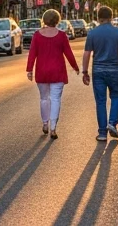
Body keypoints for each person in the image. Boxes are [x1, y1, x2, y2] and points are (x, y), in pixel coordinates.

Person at [26, 9, 79, 139]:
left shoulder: (37, 35)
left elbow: (32, 53)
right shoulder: (61, 35)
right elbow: (68, 53)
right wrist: (75, 67)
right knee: (55, 99)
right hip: (58, 71)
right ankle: (53, 128)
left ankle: (45, 123)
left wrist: (29, 69)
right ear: (57, 20)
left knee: (44, 98)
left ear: (44, 19)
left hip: (42, 71)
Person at [83, 5, 118, 142]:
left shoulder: (92, 33)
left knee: (100, 101)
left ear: (98, 18)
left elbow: (87, 54)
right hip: (114, 70)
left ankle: (102, 133)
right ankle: (112, 122)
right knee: (116, 96)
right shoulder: (117, 32)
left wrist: (85, 71)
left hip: (98, 69)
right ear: (111, 17)